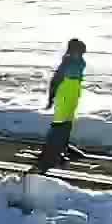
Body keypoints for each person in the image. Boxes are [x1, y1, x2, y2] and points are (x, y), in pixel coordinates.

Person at [31, 39, 88, 173]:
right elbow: (55, 80)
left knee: (68, 122)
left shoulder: (80, 62)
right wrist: (51, 98)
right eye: (79, 52)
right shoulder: (66, 62)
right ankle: (49, 151)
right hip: (64, 95)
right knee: (59, 124)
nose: (80, 55)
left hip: (73, 96)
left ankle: (63, 147)